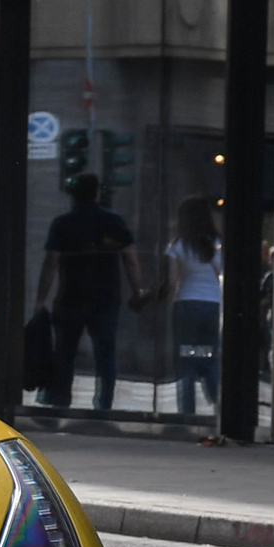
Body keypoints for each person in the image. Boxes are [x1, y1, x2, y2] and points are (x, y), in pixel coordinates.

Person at [37, 172, 148, 414]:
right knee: (105, 356)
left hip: (71, 297)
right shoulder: (114, 221)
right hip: (106, 298)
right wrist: (137, 291)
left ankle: (60, 402)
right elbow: (130, 260)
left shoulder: (63, 223)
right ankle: (103, 406)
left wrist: (41, 300)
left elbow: (51, 263)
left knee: (65, 353)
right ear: (98, 192)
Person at [164, 195, 221, 417]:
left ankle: (187, 413)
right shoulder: (216, 244)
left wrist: (166, 303)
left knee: (186, 360)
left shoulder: (177, 245)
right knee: (210, 357)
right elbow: (221, 275)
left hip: (186, 304)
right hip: (212, 305)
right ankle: (218, 405)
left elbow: (173, 281)